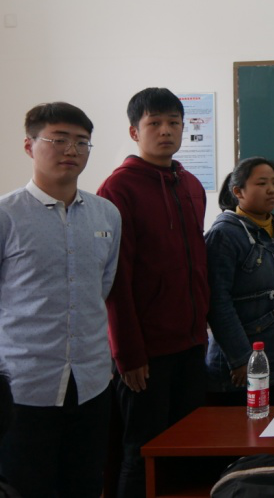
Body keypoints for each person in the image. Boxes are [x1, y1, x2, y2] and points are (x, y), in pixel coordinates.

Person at [0, 102, 121, 498]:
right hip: (24, 387)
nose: (72, 150)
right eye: (59, 140)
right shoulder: (6, 215)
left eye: (82, 142)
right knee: (25, 489)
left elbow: (101, 288)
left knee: (85, 485)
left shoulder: (107, 215)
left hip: (90, 383)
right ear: (29, 146)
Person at [98, 88, 209, 498]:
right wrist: (128, 354)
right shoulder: (118, 189)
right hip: (145, 355)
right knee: (141, 451)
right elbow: (116, 280)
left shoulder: (190, 184)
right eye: (154, 123)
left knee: (189, 447)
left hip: (191, 345)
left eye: (174, 123)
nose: (166, 131)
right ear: (134, 132)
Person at [205, 157, 274, 406]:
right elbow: (218, 302)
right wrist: (240, 358)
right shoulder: (224, 235)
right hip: (243, 366)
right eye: (261, 183)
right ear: (238, 191)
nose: (271, 190)